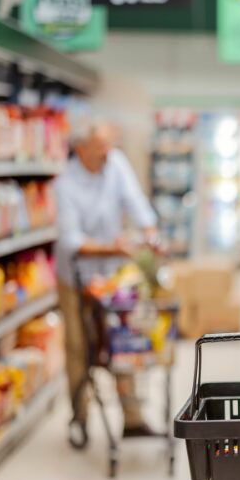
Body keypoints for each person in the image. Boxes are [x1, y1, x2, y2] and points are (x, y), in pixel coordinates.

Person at [55, 121, 162, 445]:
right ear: (82, 149)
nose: (108, 152)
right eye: (100, 147)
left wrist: (150, 233)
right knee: (79, 347)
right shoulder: (65, 183)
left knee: (122, 340)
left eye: (109, 145)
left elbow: (136, 202)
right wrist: (113, 247)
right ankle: (80, 417)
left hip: (112, 276)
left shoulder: (114, 163)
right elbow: (72, 240)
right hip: (76, 277)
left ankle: (132, 417)